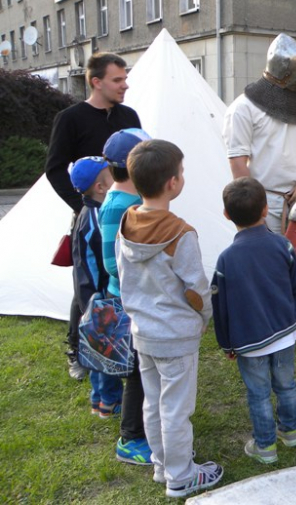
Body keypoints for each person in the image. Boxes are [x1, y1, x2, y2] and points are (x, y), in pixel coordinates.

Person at [117, 139, 223, 498]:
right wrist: (205, 318)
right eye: (181, 172)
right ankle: (180, 476)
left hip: (142, 333)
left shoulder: (125, 222)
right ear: (173, 183)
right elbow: (196, 290)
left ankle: (163, 465)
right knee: (176, 409)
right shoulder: (181, 233)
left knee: (153, 401)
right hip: (176, 337)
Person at [222, 33, 296, 355]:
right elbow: (238, 163)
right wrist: (255, 207)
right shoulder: (242, 110)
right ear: (284, 73)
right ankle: (274, 333)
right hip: (266, 202)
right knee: (272, 270)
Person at [45, 52, 141, 380]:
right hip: (90, 218)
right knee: (87, 285)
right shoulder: (70, 118)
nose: (124, 85)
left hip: (128, 216)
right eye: (118, 79)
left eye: (125, 78)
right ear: (96, 82)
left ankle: (127, 341)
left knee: (124, 279)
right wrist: (83, 206)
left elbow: (141, 163)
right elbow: (55, 168)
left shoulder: (129, 115)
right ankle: (78, 348)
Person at [211, 177, 296, 465]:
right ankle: (290, 433)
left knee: (259, 393)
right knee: (286, 385)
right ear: (266, 210)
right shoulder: (283, 246)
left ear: (226, 215)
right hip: (285, 332)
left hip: (249, 341)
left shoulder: (225, 260)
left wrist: (226, 343)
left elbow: (220, 307)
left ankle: (266, 446)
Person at [99, 128, 153, 466]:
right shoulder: (123, 205)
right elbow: (110, 262)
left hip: (136, 299)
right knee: (136, 371)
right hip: (128, 301)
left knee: (143, 370)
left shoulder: (125, 200)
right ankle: (131, 438)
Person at [69, 156, 124, 418]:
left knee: (98, 347)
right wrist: (99, 298)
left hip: (90, 293)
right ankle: (109, 403)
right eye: (112, 175)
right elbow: (102, 261)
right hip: (97, 294)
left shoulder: (86, 213)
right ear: (101, 188)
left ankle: (98, 399)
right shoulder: (96, 217)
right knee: (105, 350)